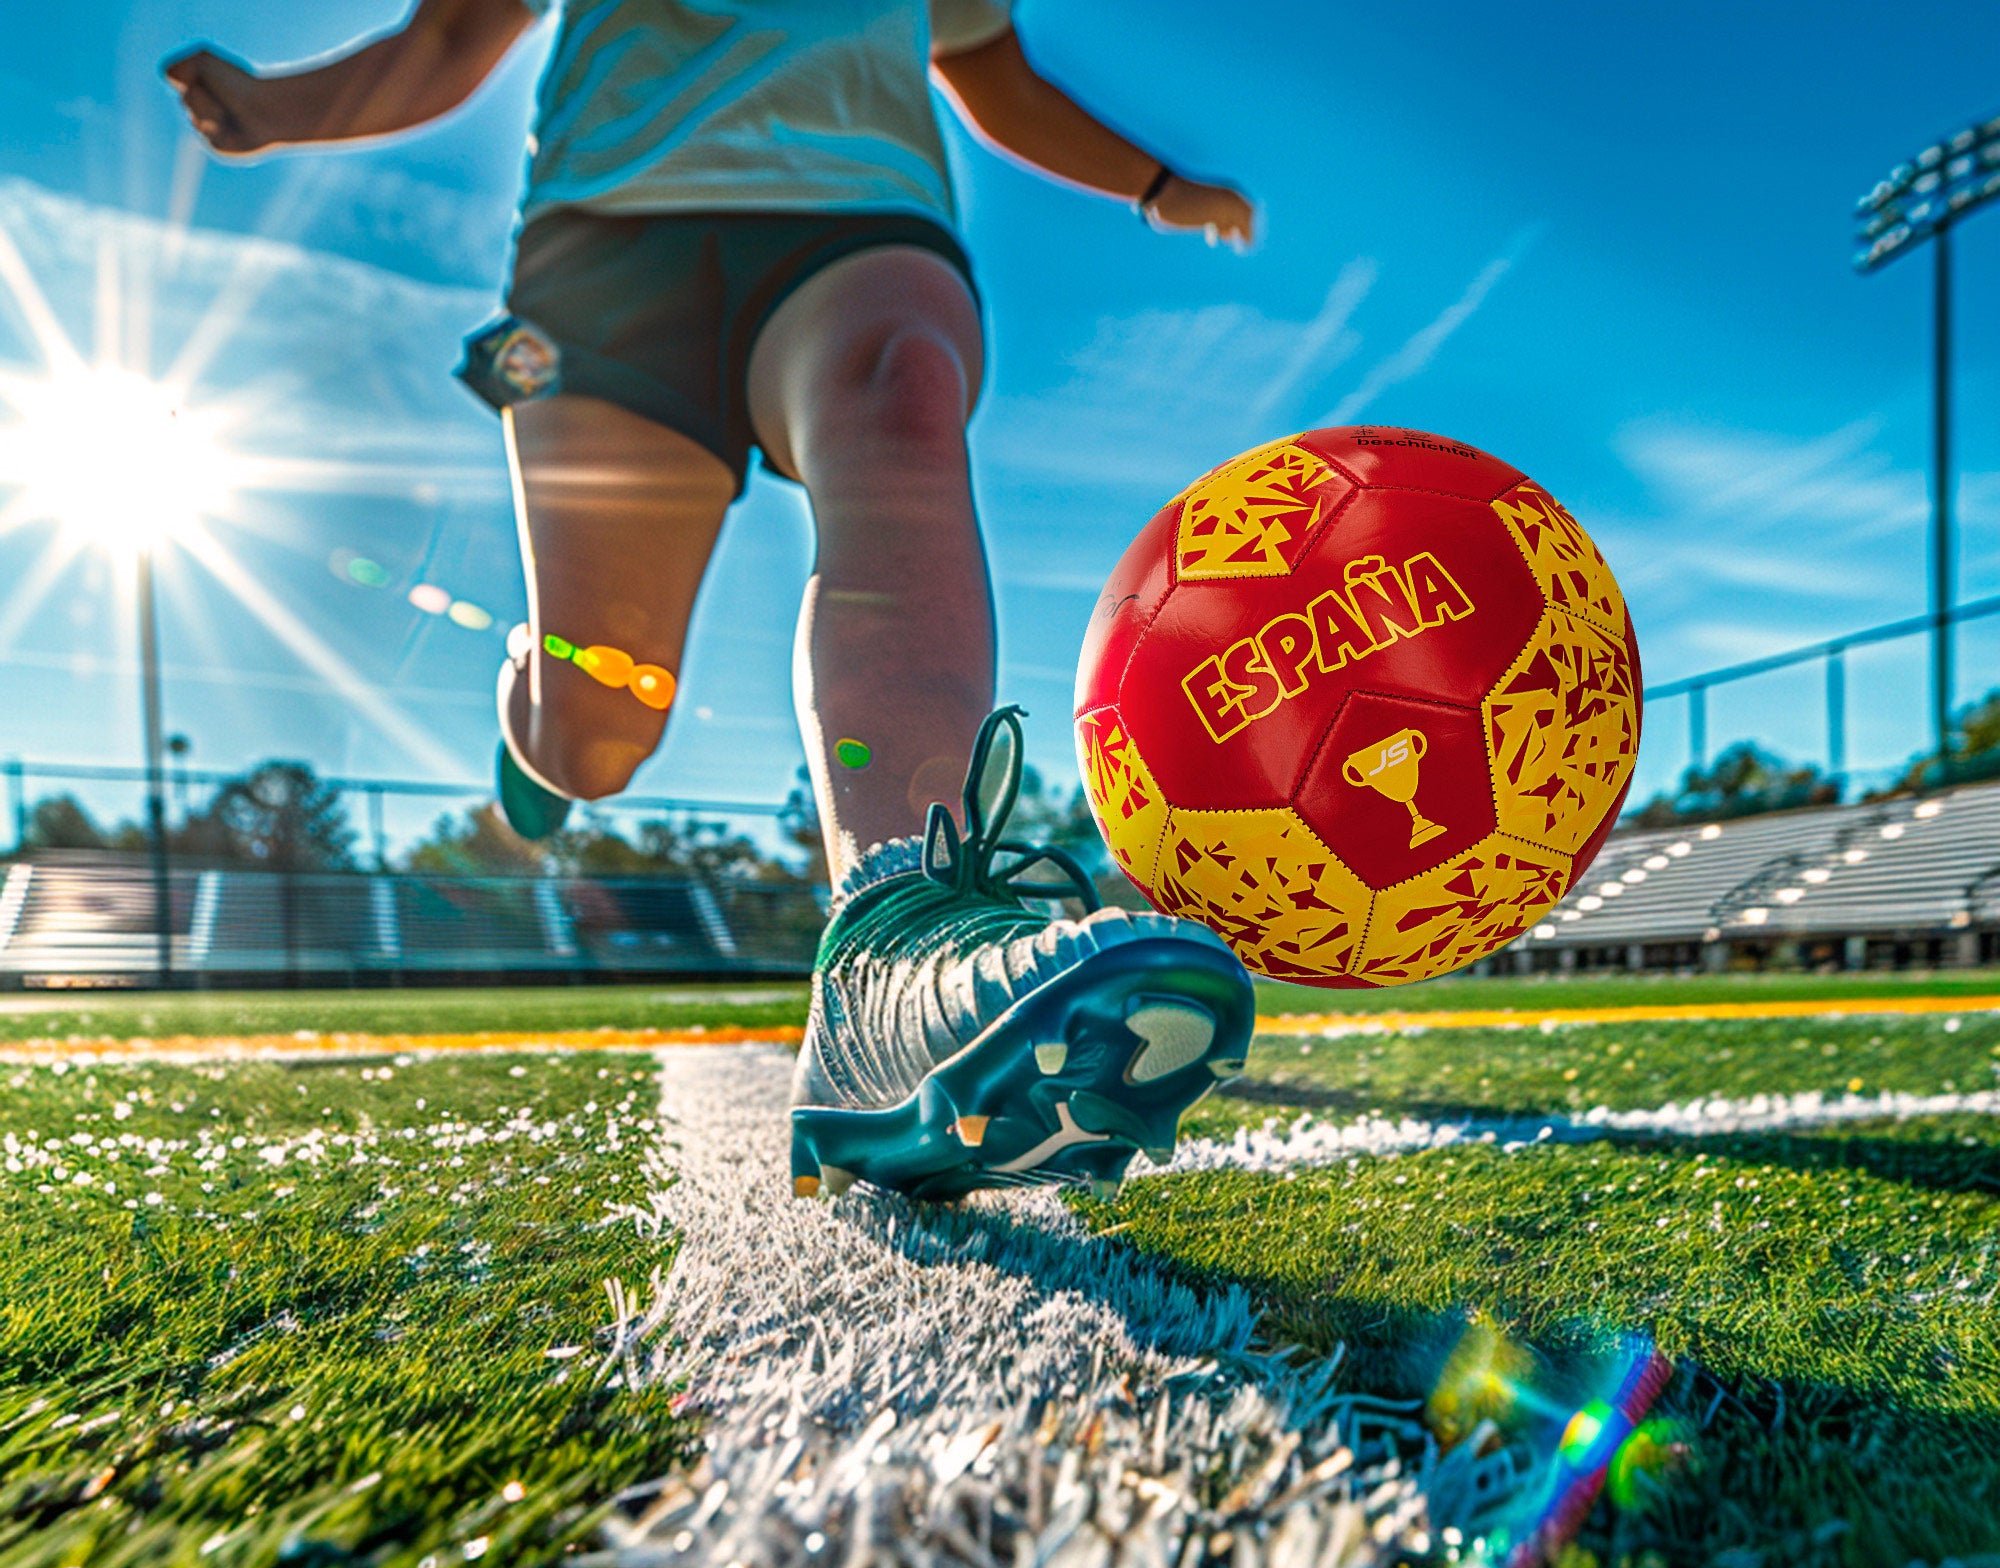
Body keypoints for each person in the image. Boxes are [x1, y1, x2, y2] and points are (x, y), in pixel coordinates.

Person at [165, 0, 1260, 1200]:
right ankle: (540, 720)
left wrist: (1157, 186)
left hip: (862, 225)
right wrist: (275, 111)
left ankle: (901, 942)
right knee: (597, 729)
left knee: (900, 394)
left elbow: (991, 72)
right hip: (608, 256)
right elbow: (449, 37)